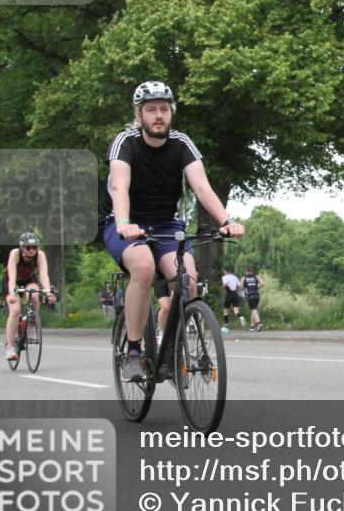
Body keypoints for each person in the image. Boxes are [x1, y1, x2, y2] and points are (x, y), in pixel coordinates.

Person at [100, 81, 244, 381]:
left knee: (188, 282)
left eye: (164, 109)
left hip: (166, 224)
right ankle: (134, 350)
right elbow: (119, 186)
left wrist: (226, 221)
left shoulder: (181, 143)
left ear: (171, 113)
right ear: (139, 115)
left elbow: (202, 186)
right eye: (150, 109)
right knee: (142, 267)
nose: (158, 115)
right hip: (124, 221)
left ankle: (171, 349)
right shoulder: (125, 142)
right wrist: (125, 223)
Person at [4, 232, 56, 360]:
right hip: (13, 281)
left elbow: (44, 275)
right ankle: (10, 347)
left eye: (34, 247)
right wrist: (12, 293)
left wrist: (48, 292)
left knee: (34, 296)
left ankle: (31, 325)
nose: (32, 250)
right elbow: (12, 276)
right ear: (22, 247)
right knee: (15, 311)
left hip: (28, 280)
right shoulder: (15, 254)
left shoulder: (40, 255)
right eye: (28, 247)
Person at [221, 266, 244, 333]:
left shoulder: (225, 277)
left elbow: (225, 284)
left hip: (229, 294)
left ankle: (226, 327)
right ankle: (241, 317)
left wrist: (222, 288)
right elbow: (240, 287)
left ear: (225, 271)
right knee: (236, 310)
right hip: (235, 294)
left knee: (225, 311)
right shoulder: (235, 277)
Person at [242, 266, 264, 332]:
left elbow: (241, 287)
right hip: (257, 295)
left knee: (254, 310)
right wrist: (257, 287)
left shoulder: (244, 278)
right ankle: (252, 326)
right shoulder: (256, 276)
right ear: (252, 271)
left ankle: (259, 324)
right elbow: (263, 283)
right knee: (253, 310)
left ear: (246, 271)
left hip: (250, 295)